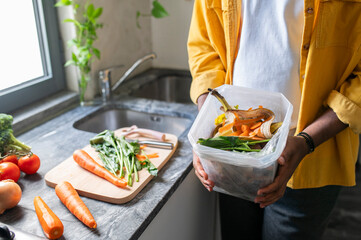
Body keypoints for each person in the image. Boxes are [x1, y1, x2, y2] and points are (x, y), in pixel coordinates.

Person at [187, 0, 361, 239]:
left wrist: (305, 142)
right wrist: (207, 129)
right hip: (232, 158)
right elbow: (204, 49)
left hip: (312, 158)